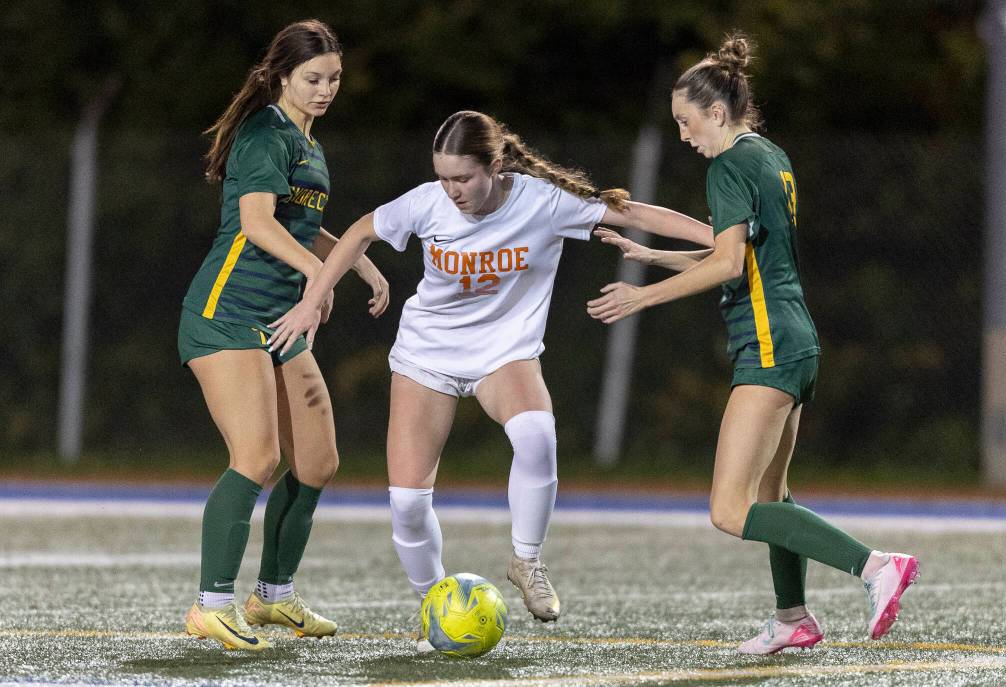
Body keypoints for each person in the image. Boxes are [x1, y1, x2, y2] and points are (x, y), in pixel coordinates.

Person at [266, 110, 714, 649]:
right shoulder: (427, 203)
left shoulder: (540, 201)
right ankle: (434, 601)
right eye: (443, 178)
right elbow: (360, 230)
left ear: (495, 166)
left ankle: (526, 561)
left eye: (463, 178)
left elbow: (632, 212)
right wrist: (312, 301)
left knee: (536, 435)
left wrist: (718, 237)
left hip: (506, 354)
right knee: (407, 504)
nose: (451, 190)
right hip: (427, 356)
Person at [587, 35, 919, 655]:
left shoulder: (727, 165)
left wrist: (640, 296)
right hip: (796, 337)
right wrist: (653, 254)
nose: (684, 136)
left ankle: (875, 566)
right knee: (771, 494)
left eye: (687, 123)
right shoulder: (769, 154)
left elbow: (729, 265)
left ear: (716, 113)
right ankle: (792, 619)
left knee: (729, 509)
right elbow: (743, 256)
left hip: (767, 345)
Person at [178, 19, 389, 651]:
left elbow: (302, 226)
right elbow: (258, 223)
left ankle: (271, 597)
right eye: (313, 79)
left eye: (334, 80)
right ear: (280, 77)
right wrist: (321, 275)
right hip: (226, 313)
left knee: (318, 461)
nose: (326, 90)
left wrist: (360, 263)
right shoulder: (263, 133)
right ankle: (209, 605)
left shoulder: (308, 143)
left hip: (278, 323)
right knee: (257, 457)